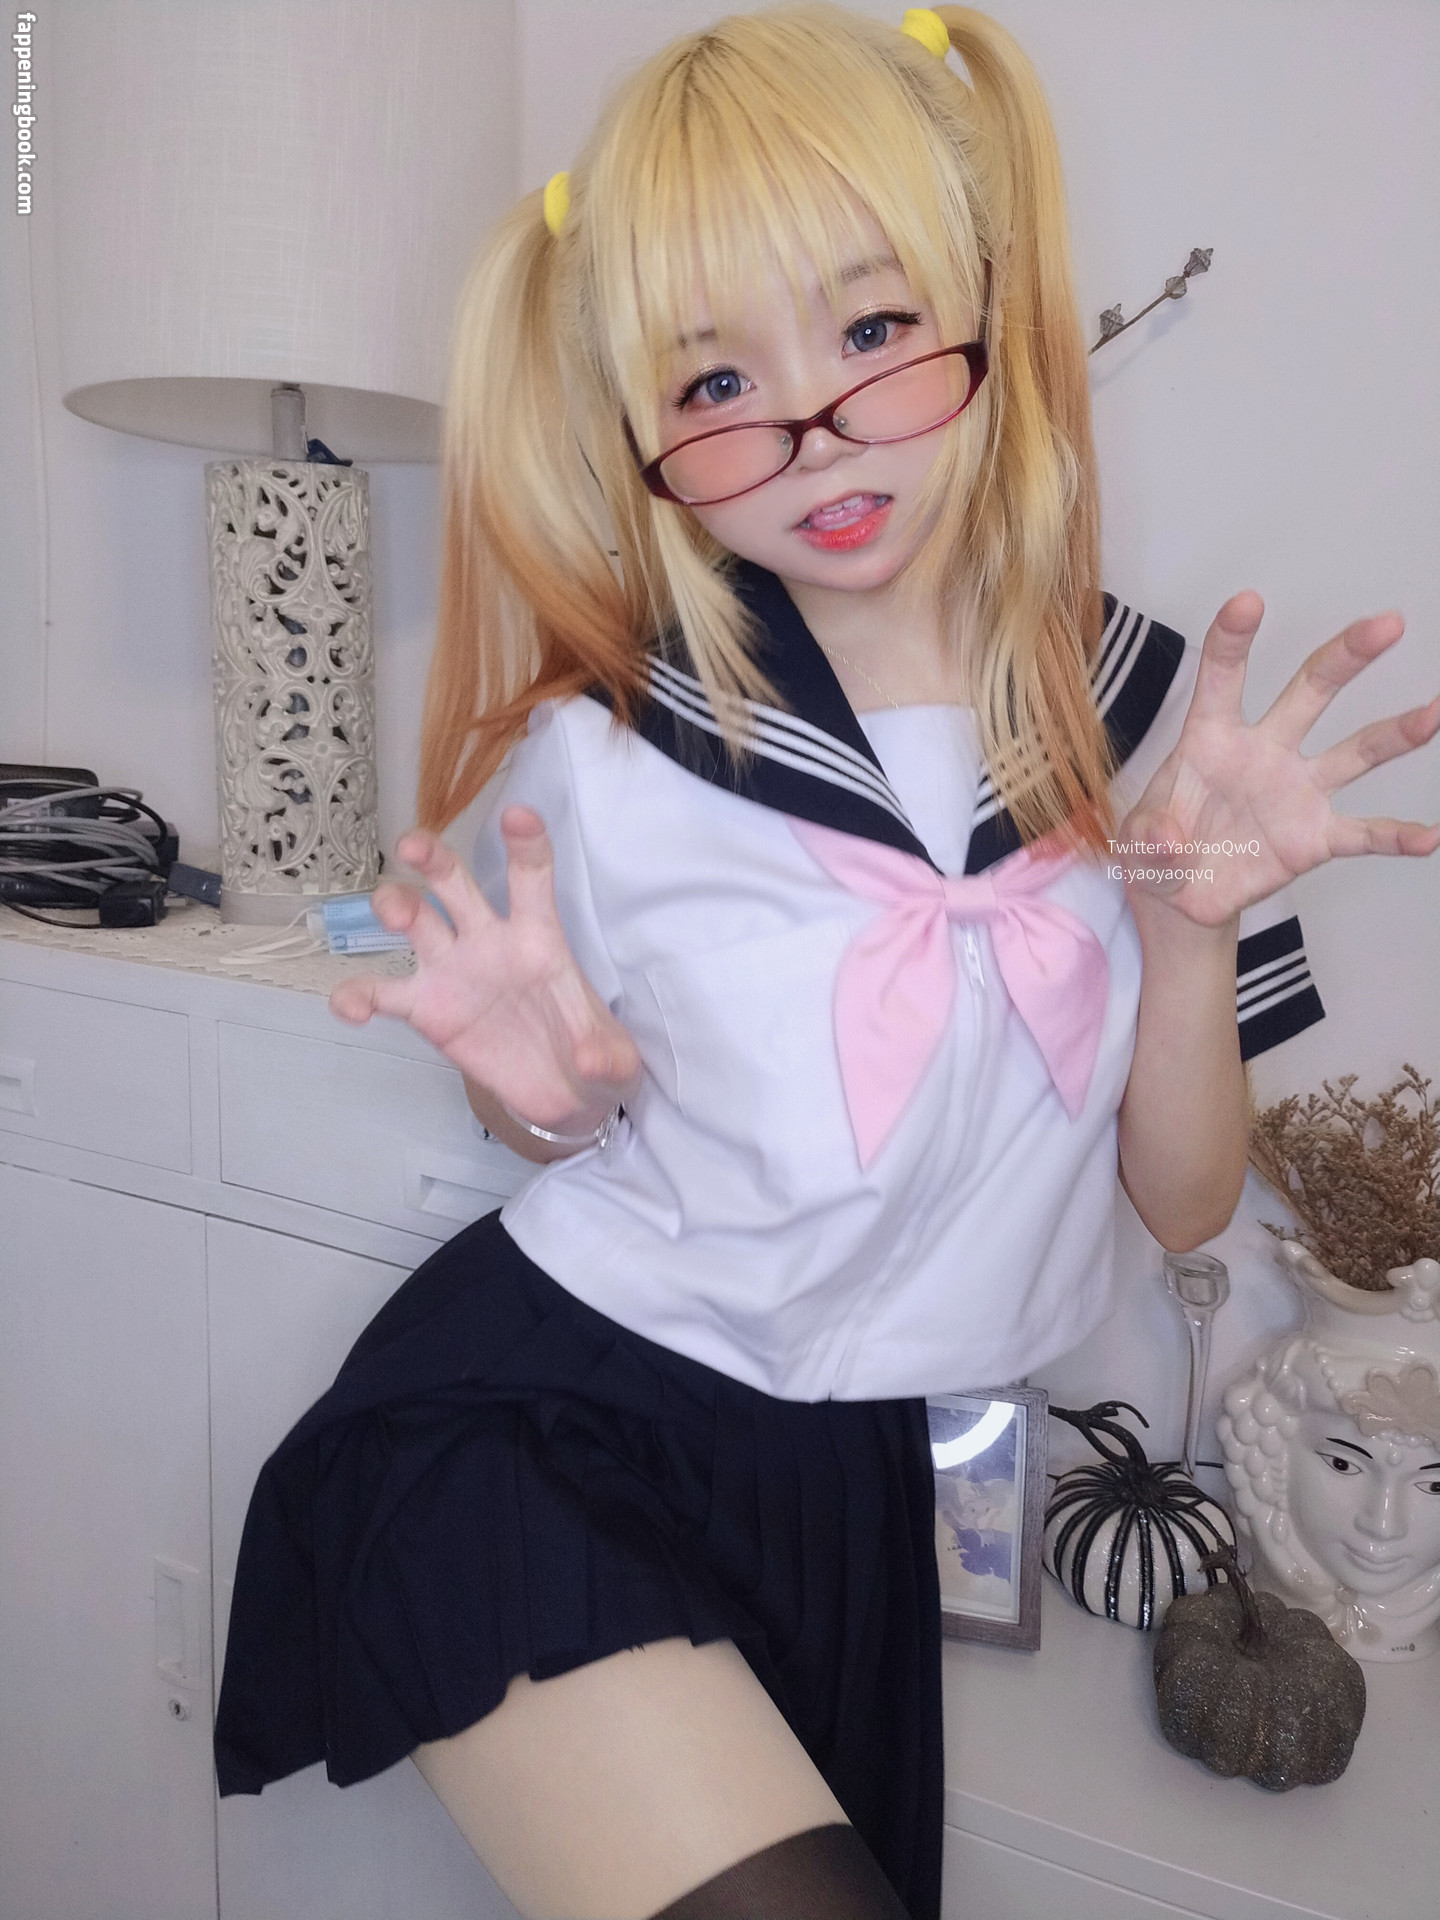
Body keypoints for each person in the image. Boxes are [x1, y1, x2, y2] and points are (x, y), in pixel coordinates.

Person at [212, 8, 1440, 1917]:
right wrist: (543, 1100)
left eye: (873, 331)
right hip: (546, 1418)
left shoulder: (1139, 731)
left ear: (983, 309)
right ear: (648, 440)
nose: (816, 432)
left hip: (849, 1488)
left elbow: (1187, 1203)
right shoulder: (615, 749)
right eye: (718, 379)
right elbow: (548, 1114)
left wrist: (1186, 927)